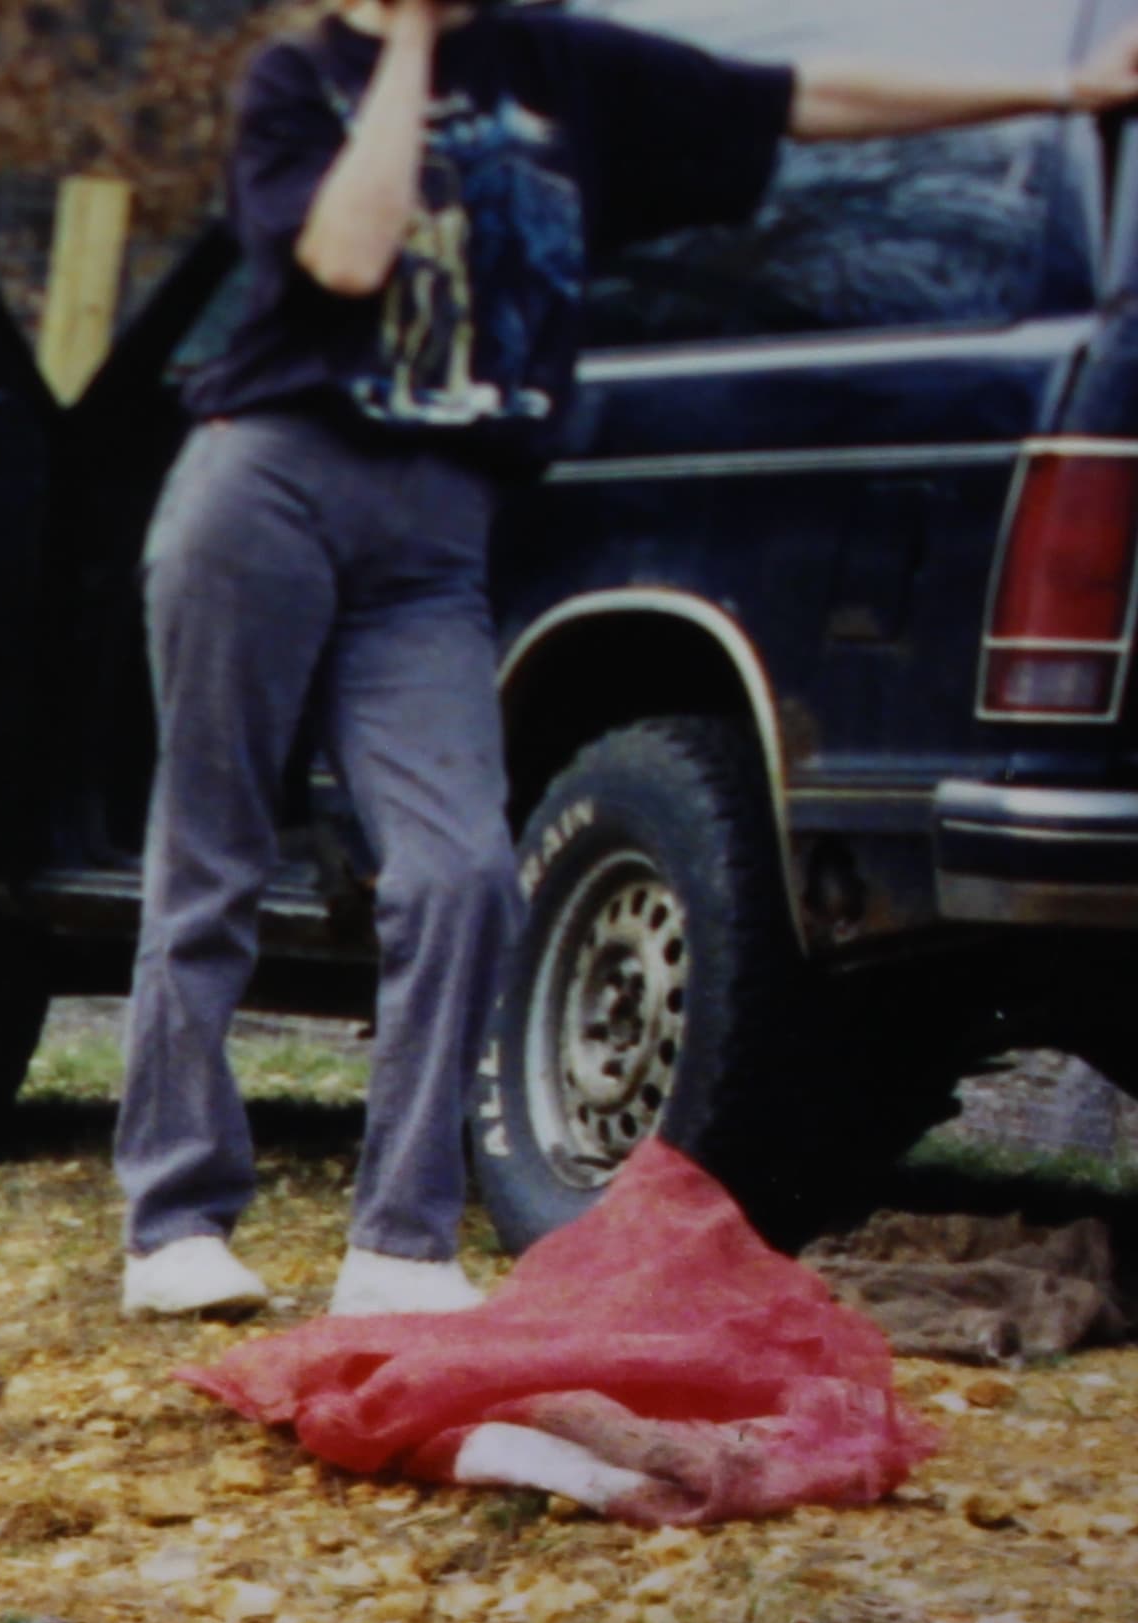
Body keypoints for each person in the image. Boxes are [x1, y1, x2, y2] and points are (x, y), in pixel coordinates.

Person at [113, 0, 1138, 1325]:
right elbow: (352, 256)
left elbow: (801, 96)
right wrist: (409, 48)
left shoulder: (561, 67)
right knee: (215, 853)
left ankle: (402, 1244)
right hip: (272, 487)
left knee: (467, 870)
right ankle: (177, 1221)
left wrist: (1063, 94)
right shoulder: (301, 77)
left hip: (436, 526)